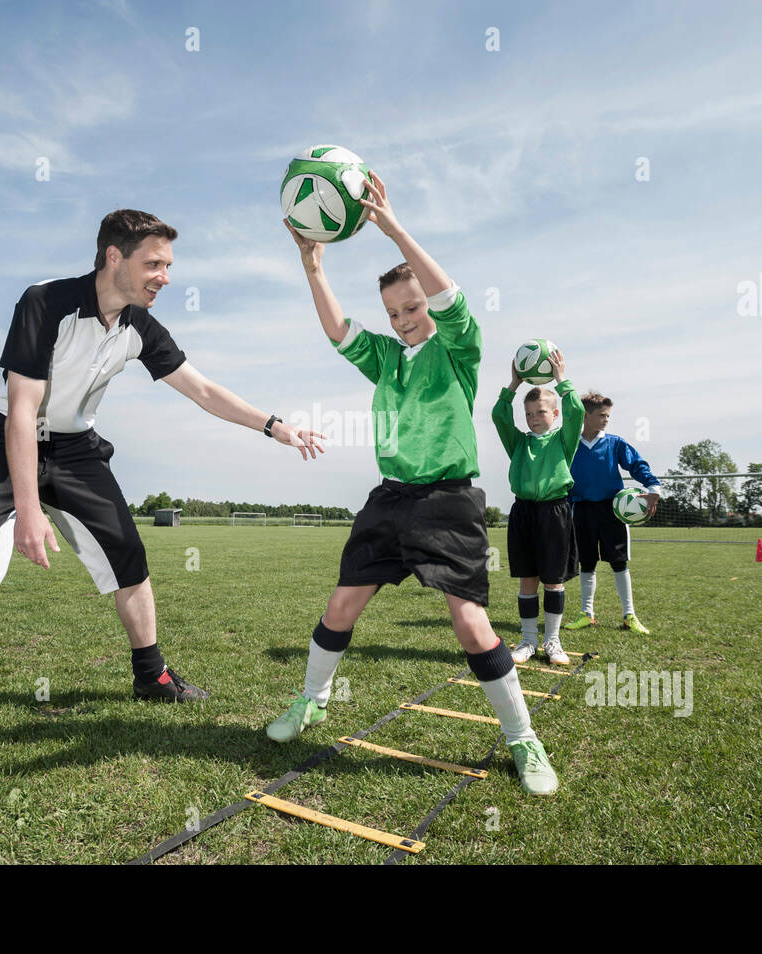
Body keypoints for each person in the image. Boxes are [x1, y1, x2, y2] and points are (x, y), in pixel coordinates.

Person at [0, 209, 323, 766]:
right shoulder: (45, 302)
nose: (165, 276)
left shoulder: (139, 325)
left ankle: (152, 675)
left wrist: (275, 426)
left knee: (128, 554)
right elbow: (22, 410)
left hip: (76, 448)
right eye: (154, 263)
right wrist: (29, 509)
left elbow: (201, 389)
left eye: (168, 265)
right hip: (0, 440)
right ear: (115, 257)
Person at [266, 174, 558, 796]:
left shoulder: (460, 349)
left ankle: (522, 738)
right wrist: (312, 265)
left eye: (412, 307)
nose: (403, 320)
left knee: (470, 623)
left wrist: (394, 228)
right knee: (341, 605)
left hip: (449, 500)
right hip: (389, 497)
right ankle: (312, 701)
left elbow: (451, 297)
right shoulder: (385, 357)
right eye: (395, 312)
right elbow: (338, 329)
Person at [490, 352, 583, 665]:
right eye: (528, 413)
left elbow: (577, 412)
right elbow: (499, 415)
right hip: (523, 514)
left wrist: (561, 380)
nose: (533, 418)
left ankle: (552, 641)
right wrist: (514, 384)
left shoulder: (564, 439)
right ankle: (528, 641)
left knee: (553, 580)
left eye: (540, 412)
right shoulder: (518, 443)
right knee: (527, 580)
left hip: (554, 513)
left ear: (554, 414)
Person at [564, 392, 659, 636]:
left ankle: (629, 616)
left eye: (608, 415)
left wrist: (653, 487)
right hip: (582, 510)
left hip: (613, 510)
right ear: (586, 416)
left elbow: (637, 465)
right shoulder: (569, 443)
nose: (606, 419)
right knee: (587, 563)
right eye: (602, 415)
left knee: (618, 562)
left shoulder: (614, 442)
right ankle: (587, 614)